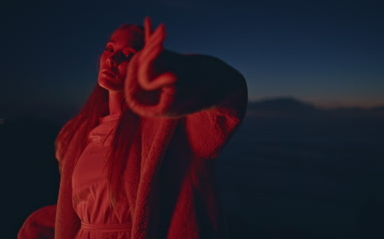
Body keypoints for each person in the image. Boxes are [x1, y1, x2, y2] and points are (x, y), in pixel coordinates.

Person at [18, 17, 247, 239]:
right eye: (109, 49)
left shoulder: (173, 128)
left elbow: (229, 93)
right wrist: (40, 226)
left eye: (128, 54)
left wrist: (177, 69)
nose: (112, 58)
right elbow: (88, 208)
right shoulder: (76, 135)